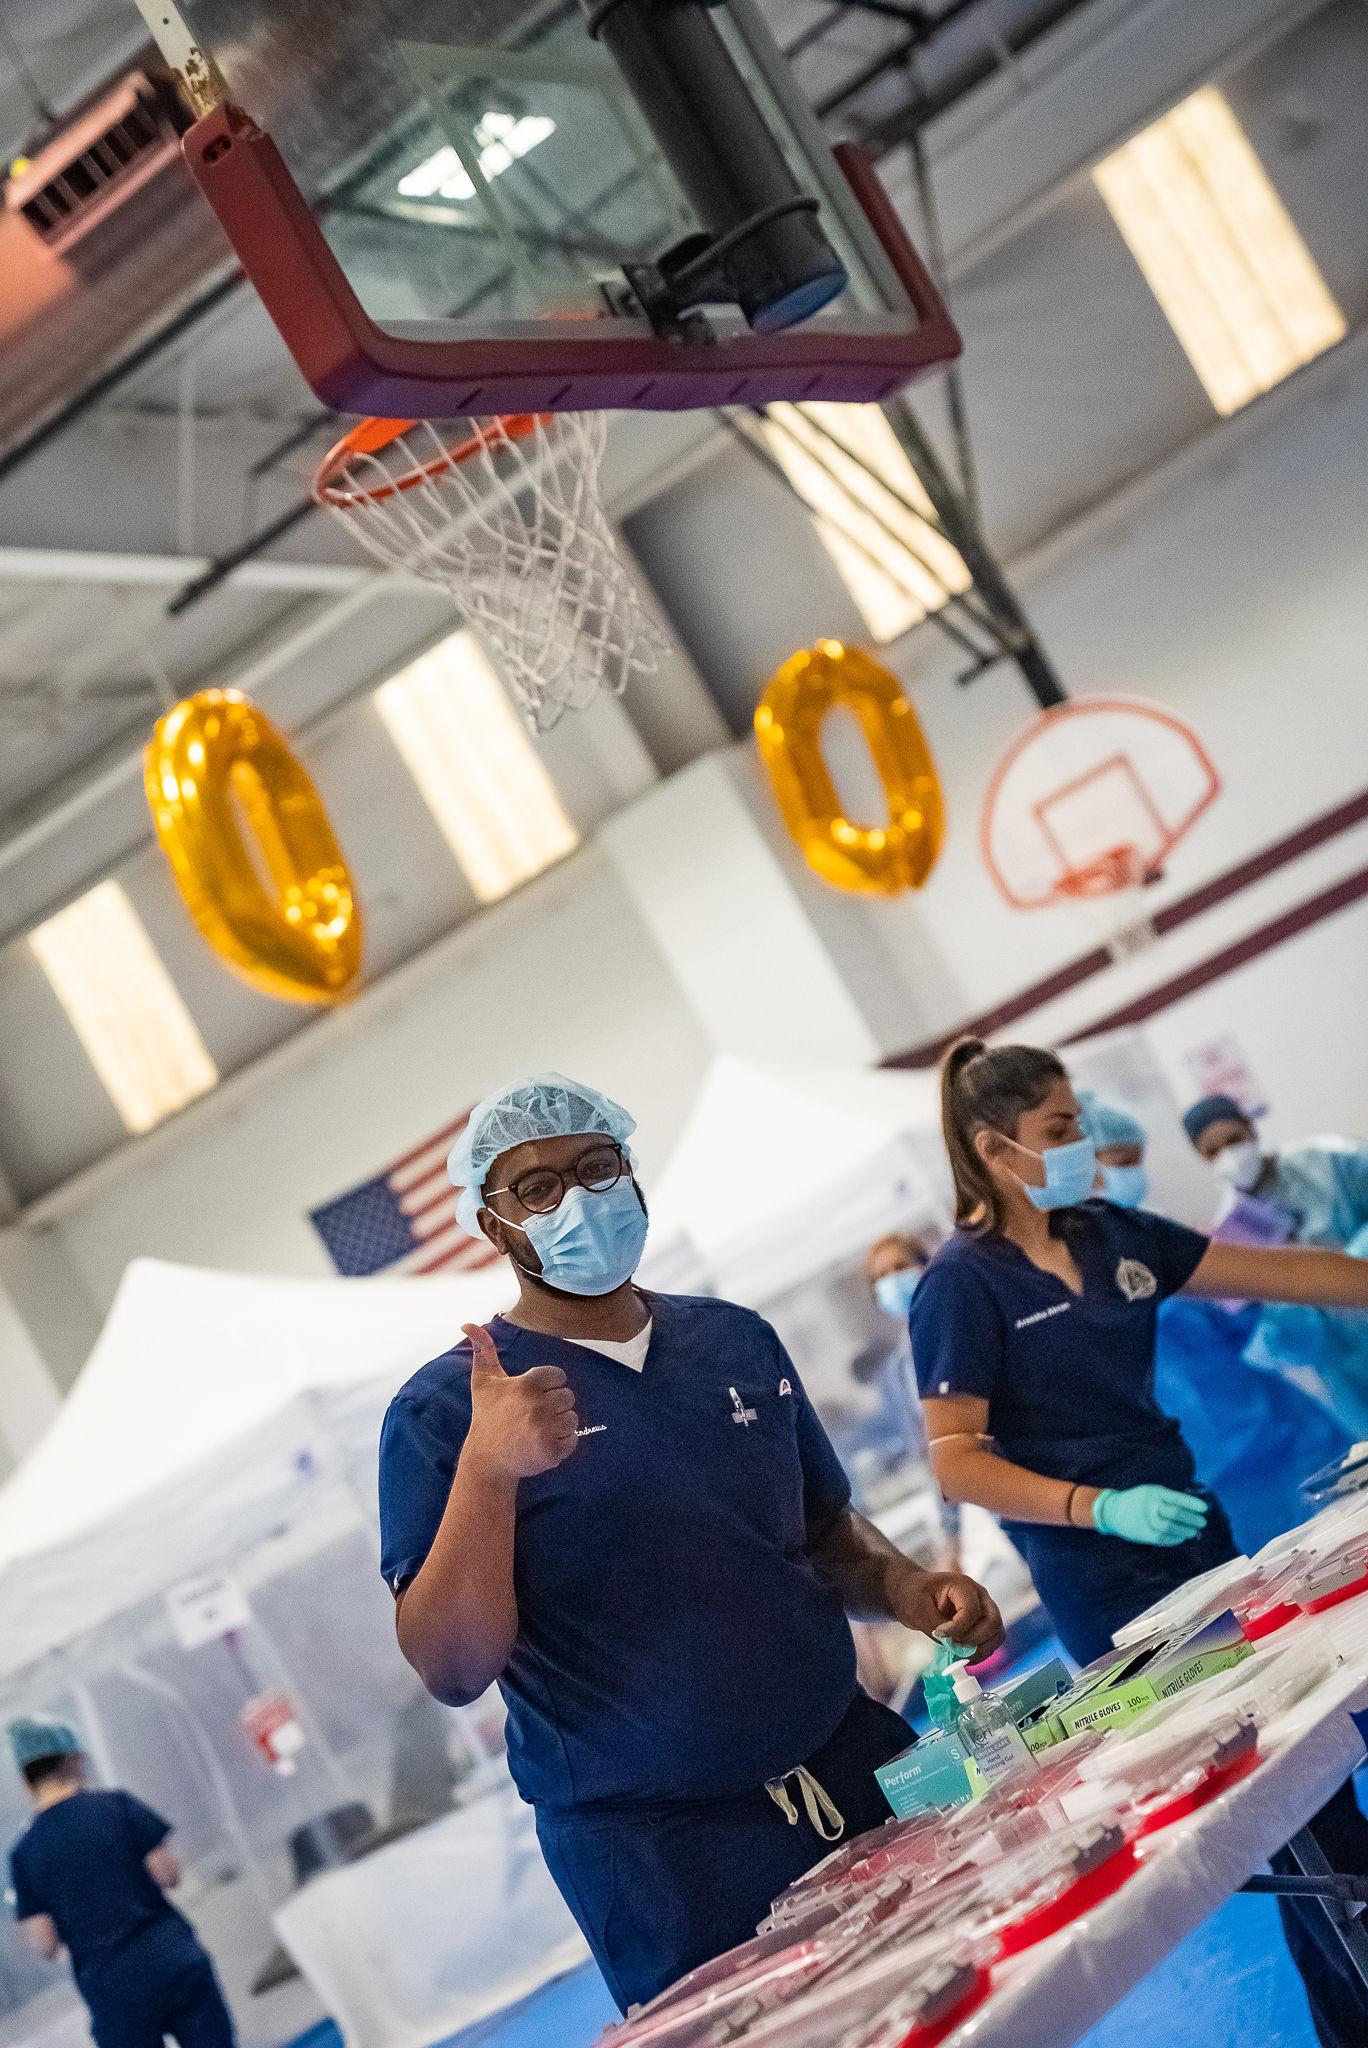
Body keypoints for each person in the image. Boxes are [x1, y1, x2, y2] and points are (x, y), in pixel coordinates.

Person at [378, 1074, 1002, 2013]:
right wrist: (488, 1472)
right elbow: (454, 1667)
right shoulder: (445, 1414)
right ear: (494, 1226)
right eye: (537, 1189)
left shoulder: (734, 1340)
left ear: (631, 1174)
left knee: (979, 2006)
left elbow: (822, 1529)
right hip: (666, 1856)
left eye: (595, 1168)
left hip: (850, 1763)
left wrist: (908, 1585)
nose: (576, 1201)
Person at [910, 1040, 1368, 2048]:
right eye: (1060, 1129)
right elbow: (954, 1458)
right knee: (1279, 1793)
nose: (1082, 1145)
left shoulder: (1111, 1231)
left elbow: (1280, 1269)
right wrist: (1095, 1507)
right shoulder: (960, 1285)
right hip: (1099, 1569)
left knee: (1306, 1782)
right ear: (994, 1148)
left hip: (1196, 1532)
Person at [1077, 1091, 1350, 1554]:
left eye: (1136, 1161)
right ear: (1085, 1167)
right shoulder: (1069, 1288)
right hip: (1217, 1488)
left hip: (1296, 1443)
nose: (1132, 1175)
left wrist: (1283, 1319)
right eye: (1121, 1160)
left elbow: (1263, 1324)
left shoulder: (1169, 1244)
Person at [6, 1718, 235, 2048]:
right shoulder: (117, 1805)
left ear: (26, 1779)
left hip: (113, 1989)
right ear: (73, 1760)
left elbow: (44, 1945)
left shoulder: (24, 1854)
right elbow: (168, 1875)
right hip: (172, 1959)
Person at [1183, 1093, 1368, 1434]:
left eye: (1233, 1139)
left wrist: (1354, 1260)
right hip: (1343, 1365)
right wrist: (1281, 1327)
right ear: (1200, 1157)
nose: (1228, 1155)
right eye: (1213, 1151)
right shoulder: (1230, 1236)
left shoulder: (1327, 1162)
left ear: (1251, 1129)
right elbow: (1266, 1331)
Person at [862, 1234, 961, 1567]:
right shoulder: (903, 1369)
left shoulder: (963, 1328)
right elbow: (935, 1454)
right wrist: (951, 1538)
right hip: (979, 1498)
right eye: (882, 1276)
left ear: (925, 1267)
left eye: (901, 1267)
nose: (893, 1280)